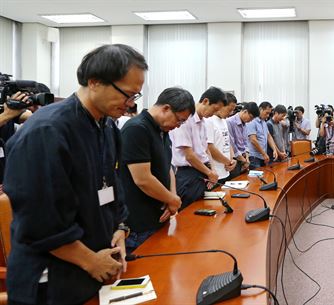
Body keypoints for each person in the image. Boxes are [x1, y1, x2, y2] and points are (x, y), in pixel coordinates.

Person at [3, 44, 147, 304]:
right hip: (53, 278)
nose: (130, 105)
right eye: (127, 94)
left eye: (135, 96)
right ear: (94, 82)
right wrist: (89, 260)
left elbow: (113, 188)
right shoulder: (47, 131)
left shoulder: (106, 127)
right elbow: (39, 221)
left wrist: (120, 228)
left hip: (94, 266)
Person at [120, 87, 194, 253]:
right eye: (179, 120)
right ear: (166, 108)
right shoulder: (137, 129)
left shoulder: (163, 130)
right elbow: (143, 179)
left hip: (158, 218)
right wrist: (172, 200)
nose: (178, 126)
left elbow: (168, 166)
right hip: (138, 223)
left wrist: (172, 197)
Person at [170, 86, 226, 208]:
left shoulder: (204, 123)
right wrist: (209, 173)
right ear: (205, 101)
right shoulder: (185, 120)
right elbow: (189, 156)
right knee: (190, 214)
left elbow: (206, 150)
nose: (213, 114)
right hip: (188, 175)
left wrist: (213, 170)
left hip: (203, 171)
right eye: (214, 109)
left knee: (204, 211)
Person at [205, 92, 238, 183]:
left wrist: (233, 159)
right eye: (229, 110)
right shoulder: (209, 120)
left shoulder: (224, 121)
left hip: (226, 171)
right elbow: (210, 147)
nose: (231, 113)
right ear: (221, 106)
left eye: (233, 110)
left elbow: (227, 141)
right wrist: (227, 162)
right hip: (216, 173)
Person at [246, 101, 284, 169]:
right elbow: (253, 140)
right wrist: (264, 154)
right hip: (254, 157)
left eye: (269, 113)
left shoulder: (264, 122)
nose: (268, 115)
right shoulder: (252, 121)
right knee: (256, 178)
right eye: (267, 113)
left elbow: (269, 136)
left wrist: (274, 149)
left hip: (262, 156)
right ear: (260, 109)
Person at [226, 101, 259, 173]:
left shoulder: (245, 124)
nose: (250, 121)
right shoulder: (230, 122)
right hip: (234, 159)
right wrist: (242, 159)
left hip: (243, 159)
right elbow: (231, 143)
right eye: (250, 117)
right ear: (245, 111)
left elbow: (246, 142)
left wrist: (247, 157)